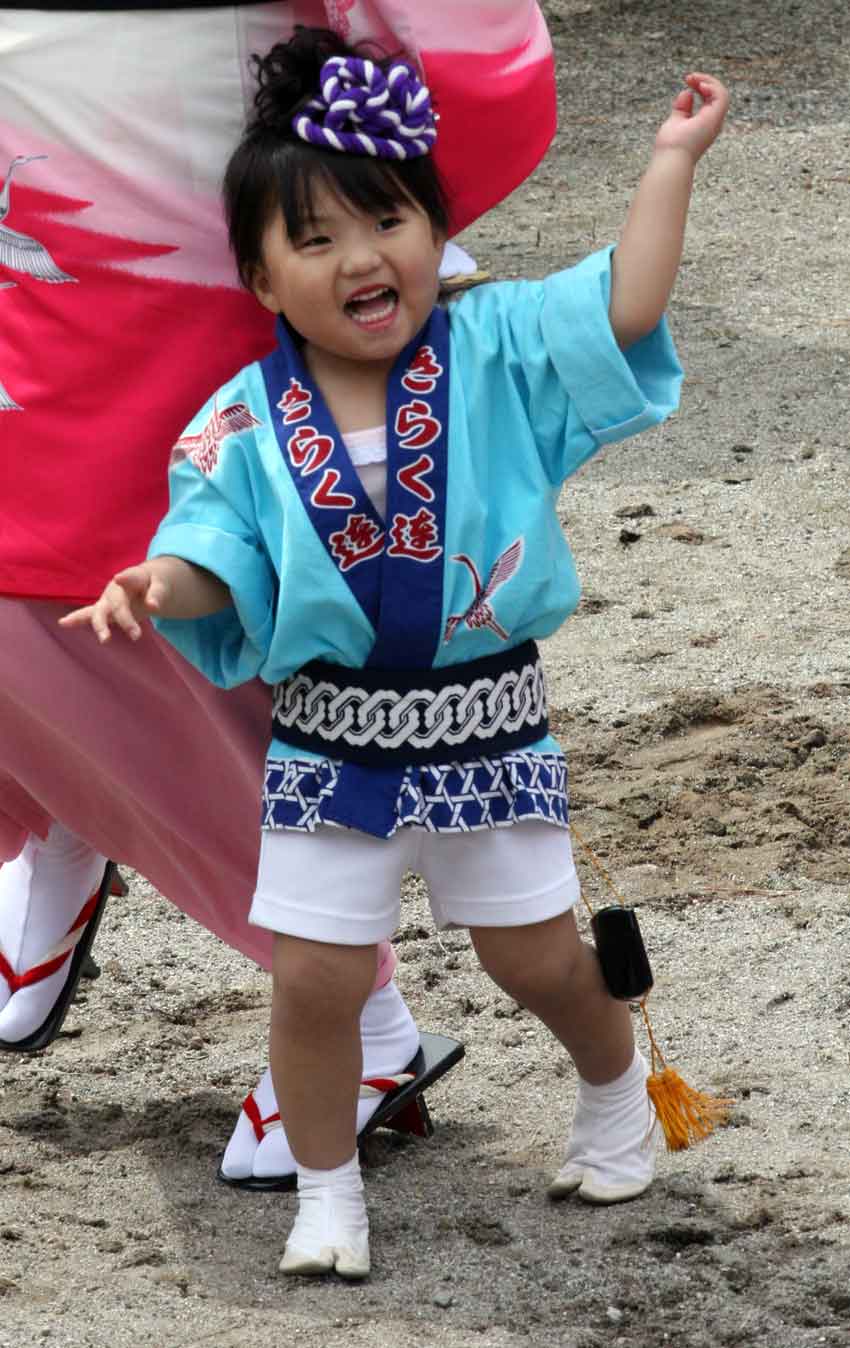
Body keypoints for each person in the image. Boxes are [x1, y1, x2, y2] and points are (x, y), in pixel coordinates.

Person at [65, 28, 728, 1279]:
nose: (361, 259)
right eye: (313, 242)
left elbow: (622, 304)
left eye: (386, 222)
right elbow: (215, 549)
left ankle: (619, 1088)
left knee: (530, 955)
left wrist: (670, 162)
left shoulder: (497, 350)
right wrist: (160, 580)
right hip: (330, 740)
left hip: (488, 719)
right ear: (261, 283)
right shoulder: (242, 427)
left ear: (435, 231)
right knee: (314, 982)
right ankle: (328, 1193)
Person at [0, 1, 556, 1186]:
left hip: (177, 252)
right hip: (51, 192)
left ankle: (351, 1021)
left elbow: (486, 71)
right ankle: (65, 810)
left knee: (74, 573)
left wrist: (343, 237)